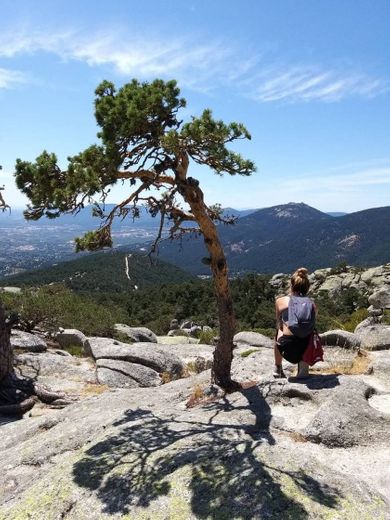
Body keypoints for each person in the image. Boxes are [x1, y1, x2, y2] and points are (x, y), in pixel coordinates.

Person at [273, 267, 315, 378]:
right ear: (307, 287)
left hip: (286, 347)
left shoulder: (280, 301)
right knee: (310, 331)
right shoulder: (312, 304)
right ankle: (303, 367)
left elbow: (279, 323)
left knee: (278, 330)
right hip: (305, 347)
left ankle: (278, 368)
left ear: (291, 285)